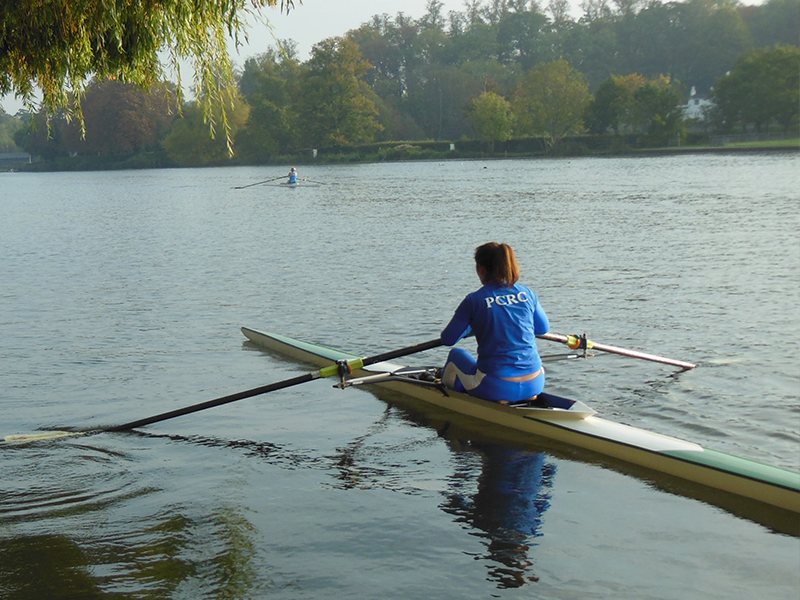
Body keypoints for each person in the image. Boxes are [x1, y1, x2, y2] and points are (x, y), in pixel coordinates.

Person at [440, 242, 549, 403]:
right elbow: (542, 329)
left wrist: (472, 326)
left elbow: (448, 340)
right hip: (535, 383)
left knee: (456, 354)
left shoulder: (474, 300)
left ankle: (452, 398)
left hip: (496, 387)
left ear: (480, 269)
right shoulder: (527, 294)